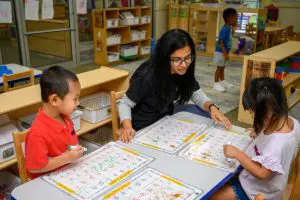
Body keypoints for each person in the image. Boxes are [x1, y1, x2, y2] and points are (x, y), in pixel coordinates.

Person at [118, 29, 232, 143]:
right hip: (144, 125)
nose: (183, 65)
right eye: (177, 59)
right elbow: (124, 104)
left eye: (187, 58)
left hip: (165, 117)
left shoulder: (183, 70)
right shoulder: (147, 75)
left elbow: (195, 93)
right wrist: (127, 127)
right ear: (165, 57)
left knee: (205, 113)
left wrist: (212, 107)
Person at [210, 77, 300, 200]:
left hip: (256, 192)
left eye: (253, 113)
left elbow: (262, 174)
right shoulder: (291, 122)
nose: (252, 116)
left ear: (268, 111)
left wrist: (237, 154)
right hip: (265, 186)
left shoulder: (276, 144)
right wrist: (260, 132)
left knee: (211, 195)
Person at [25, 66, 84, 179]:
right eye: (75, 99)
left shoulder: (64, 117)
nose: (78, 103)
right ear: (55, 100)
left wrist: (73, 153)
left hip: (68, 173)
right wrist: (66, 158)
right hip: (47, 182)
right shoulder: (38, 133)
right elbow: (34, 167)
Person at [212, 8, 238, 92]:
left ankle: (222, 81)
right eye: (235, 17)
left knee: (223, 67)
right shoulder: (224, 29)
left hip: (223, 52)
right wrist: (225, 54)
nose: (236, 19)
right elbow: (221, 43)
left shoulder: (229, 28)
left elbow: (229, 38)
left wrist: (233, 30)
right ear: (230, 18)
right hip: (220, 52)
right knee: (219, 68)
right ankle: (215, 83)